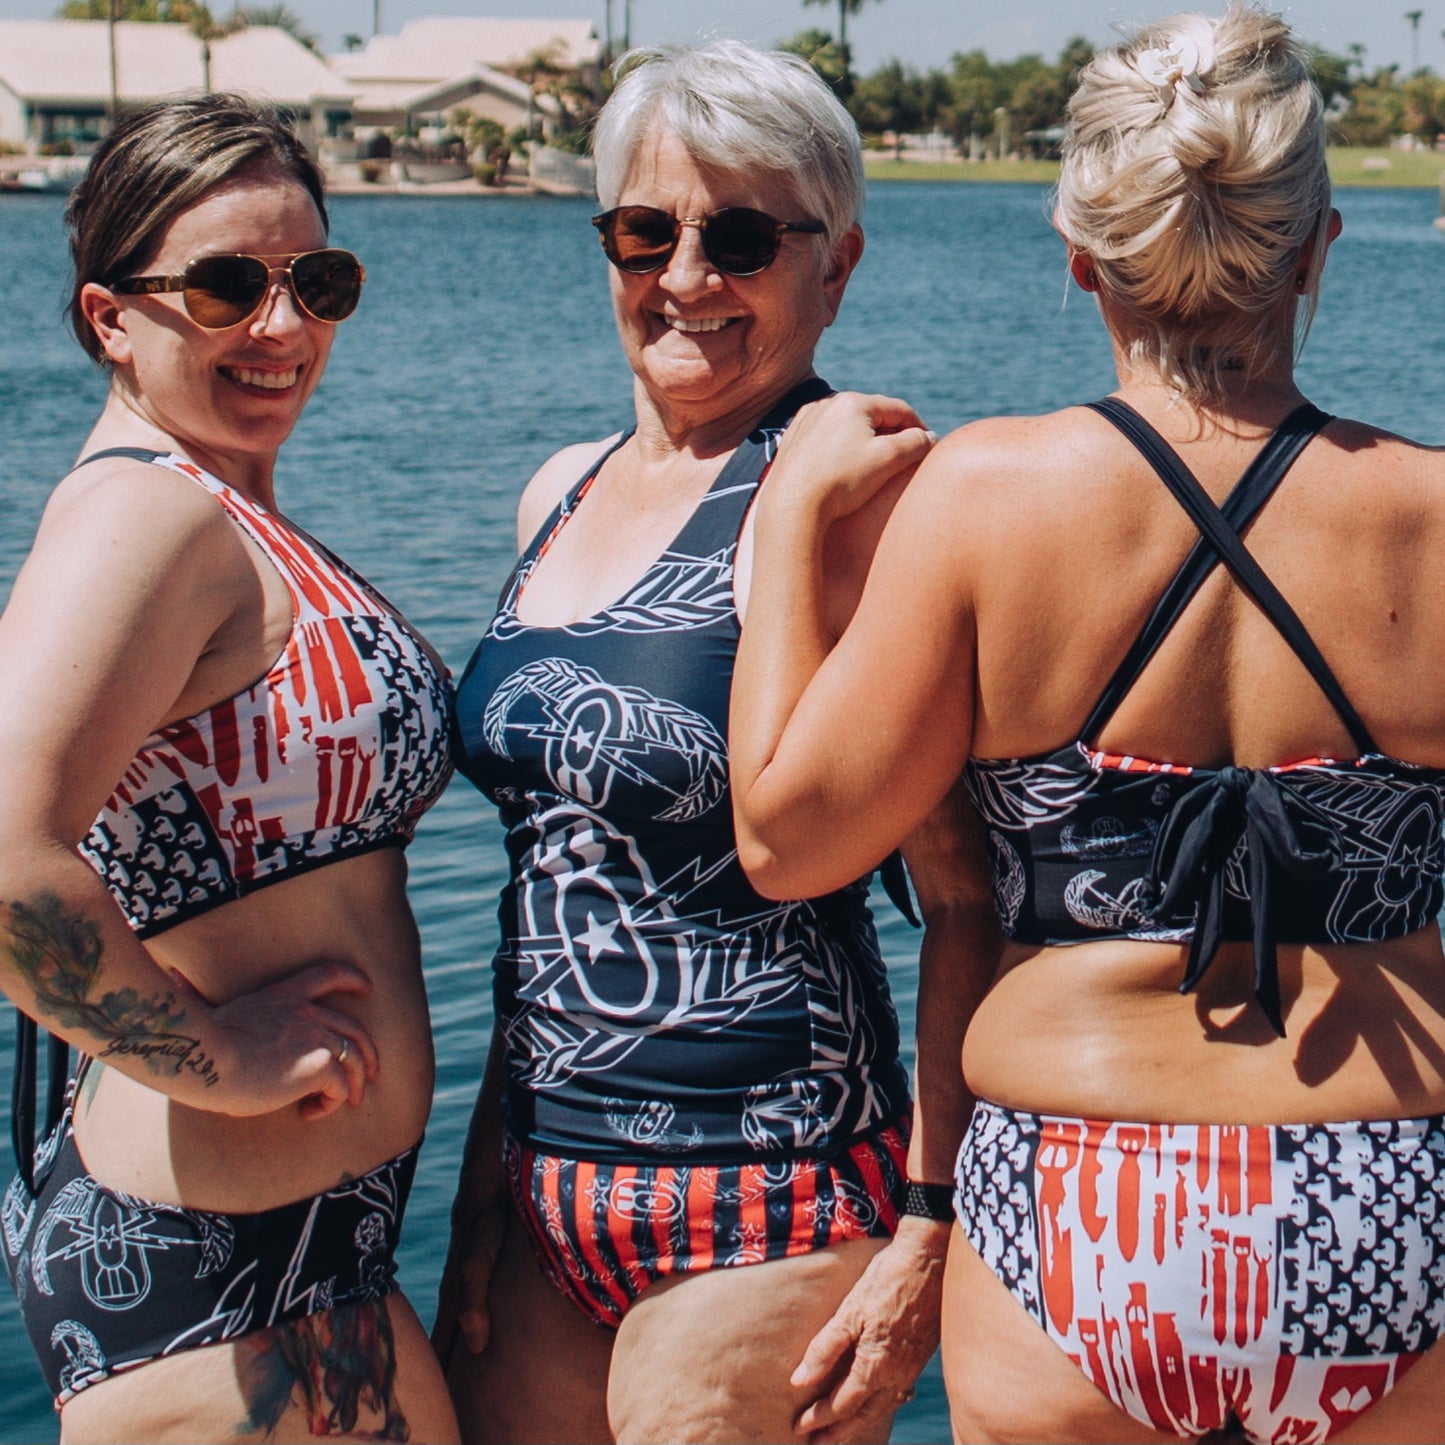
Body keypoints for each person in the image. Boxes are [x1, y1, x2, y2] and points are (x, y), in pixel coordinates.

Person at [729, 6, 1445, 1442]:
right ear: (1315, 249)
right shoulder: (1432, 515)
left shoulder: (986, 497)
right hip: (1392, 1186)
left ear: (1078, 259)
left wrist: (794, 517)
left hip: (1083, 1190)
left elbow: (785, 837)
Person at [436, 39, 991, 1445]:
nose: (684, 277)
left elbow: (967, 897)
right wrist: (481, 1205)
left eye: (740, 237)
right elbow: (546, 882)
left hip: (778, 1196)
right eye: (644, 229)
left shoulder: (862, 503)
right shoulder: (556, 492)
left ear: (837, 267)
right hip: (546, 1197)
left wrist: (929, 1230)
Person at [0, 96, 459, 1444]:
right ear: (110, 319)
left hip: (306, 1261)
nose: (283, 327)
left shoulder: (225, 507)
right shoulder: (145, 516)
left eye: (316, 282)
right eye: (223, 286)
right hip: (209, 1278)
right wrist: (219, 1058)